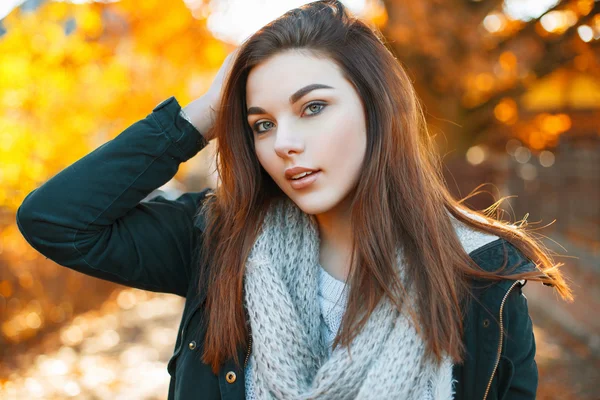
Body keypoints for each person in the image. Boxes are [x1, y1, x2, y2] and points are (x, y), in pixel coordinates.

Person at [16, 1, 572, 399]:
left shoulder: (483, 277)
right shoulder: (219, 239)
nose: (283, 142)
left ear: (379, 111)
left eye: (312, 108)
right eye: (260, 123)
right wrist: (203, 114)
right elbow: (55, 219)